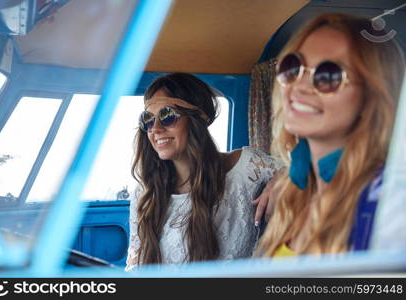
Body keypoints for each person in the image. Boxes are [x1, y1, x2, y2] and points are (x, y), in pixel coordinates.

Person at [254, 13, 405, 257]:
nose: (300, 86)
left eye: (328, 76)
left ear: (371, 98)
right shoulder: (293, 192)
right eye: (293, 68)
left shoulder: (391, 204)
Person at [125, 73, 283, 269]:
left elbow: (307, 171)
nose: (155, 128)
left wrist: (282, 180)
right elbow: (136, 265)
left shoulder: (246, 168)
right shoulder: (144, 192)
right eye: (148, 119)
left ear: (197, 120)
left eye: (167, 116)